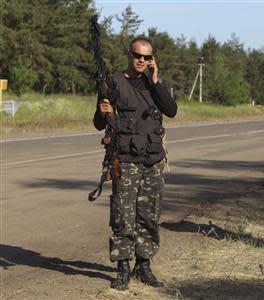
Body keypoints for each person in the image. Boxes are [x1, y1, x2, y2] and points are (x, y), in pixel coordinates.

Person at [93, 37, 177, 290]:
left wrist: (156, 81)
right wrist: (102, 110)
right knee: (123, 216)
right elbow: (99, 123)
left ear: (152, 60)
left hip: (152, 159)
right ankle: (122, 266)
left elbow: (171, 110)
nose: (142, 60)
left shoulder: (153, 85)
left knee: (149, 215)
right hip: (126, 160)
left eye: (147, 57)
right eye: (137, 55)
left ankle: (144, 264)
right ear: (128, 55)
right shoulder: (113, 83)